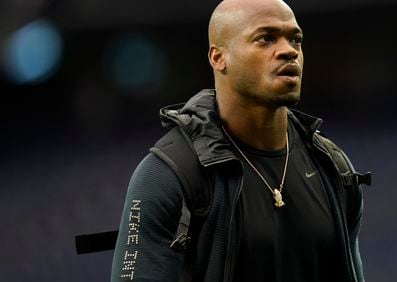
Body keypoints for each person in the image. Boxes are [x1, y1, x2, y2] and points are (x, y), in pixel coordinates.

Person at [111, 0, 366, 281]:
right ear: (218, 58)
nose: (289, 51)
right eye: (266, 38)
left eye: (296, 39)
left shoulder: (333, 167)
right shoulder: (168, 175)